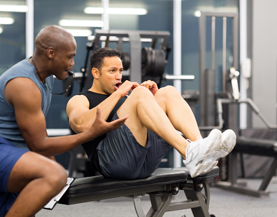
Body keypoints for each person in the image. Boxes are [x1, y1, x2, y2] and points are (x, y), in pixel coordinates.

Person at [0, 26, 127, 217]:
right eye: (69, 57)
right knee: (54, 175)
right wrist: (90, 133)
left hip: (11, 154)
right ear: (51, 53)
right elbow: (40, 145)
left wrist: (52, 165)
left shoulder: (45, 78)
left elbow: (39, 133)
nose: (72, 63)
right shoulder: (24, 84)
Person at [66, 47, 236, 180]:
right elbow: (82, 124)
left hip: (144, 161)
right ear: (96, 73)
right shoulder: (81, 99)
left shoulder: (125, 96)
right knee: (139, 93)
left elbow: (137, 127)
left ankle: (199, 151)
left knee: (167, 92)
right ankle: (188, 152)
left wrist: (152, 101)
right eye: (112, 71)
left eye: (120, 71)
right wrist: (123, 94)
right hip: (112, 163)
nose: (119, 76)